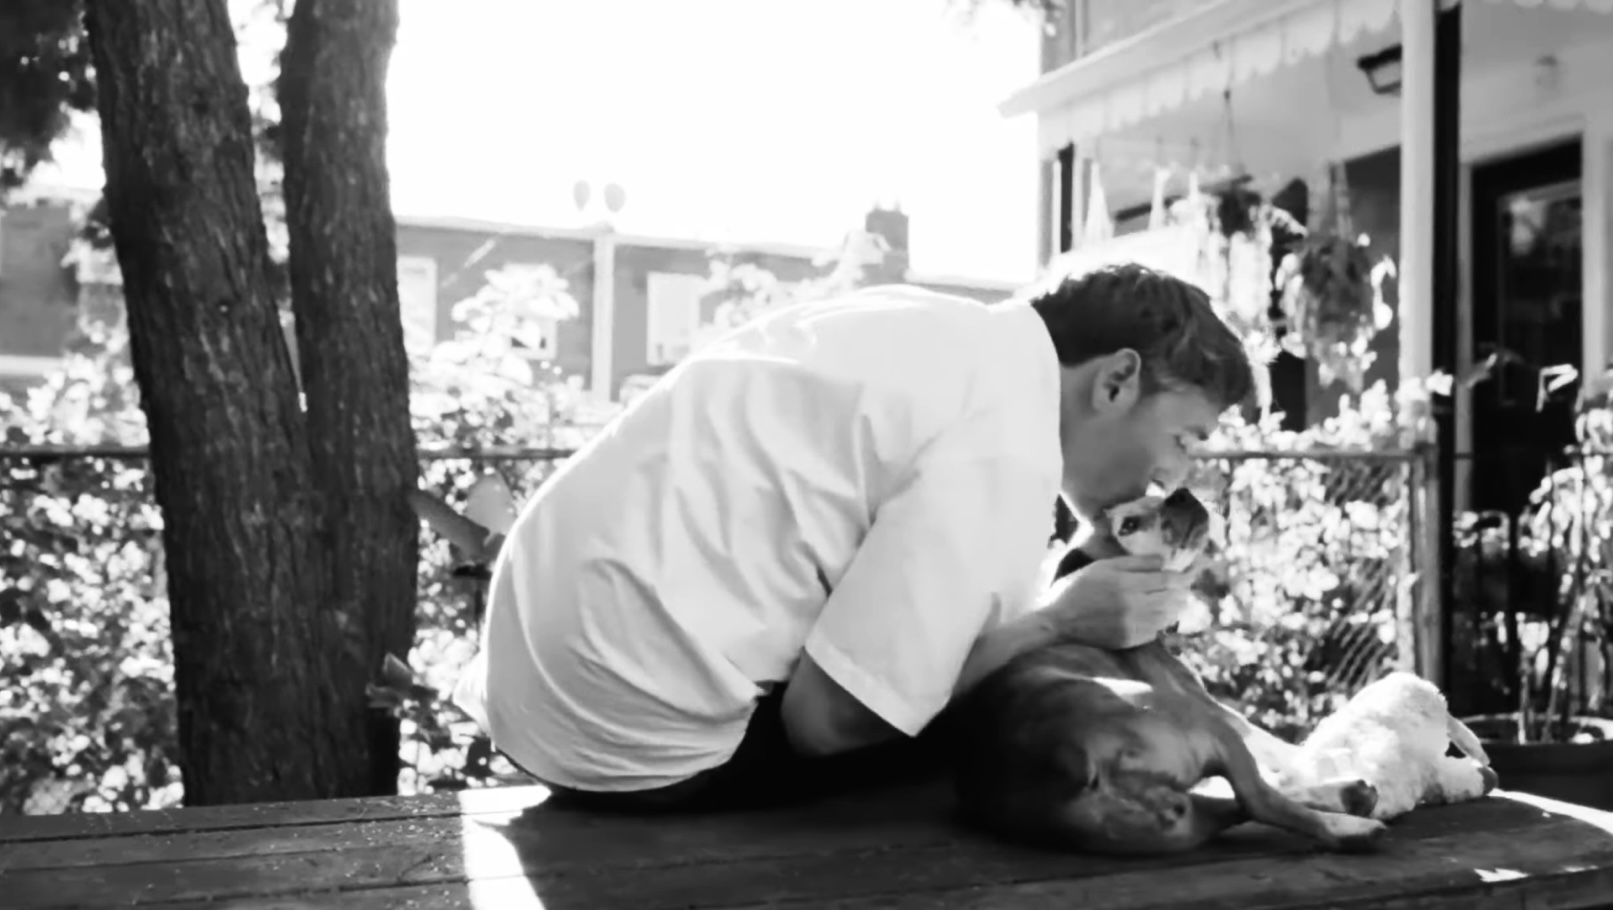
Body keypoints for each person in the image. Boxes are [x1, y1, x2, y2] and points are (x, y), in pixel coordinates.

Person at [451, 263, 1256, 812]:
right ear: (1115, 381)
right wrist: (1060, 620)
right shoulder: (1005, 444)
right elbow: (830, 723)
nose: (1172, 475)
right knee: (1012, 736)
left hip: (532, 687)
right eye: (1184, 437)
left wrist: (1068, 580)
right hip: (627, 743)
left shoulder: (930, 324)